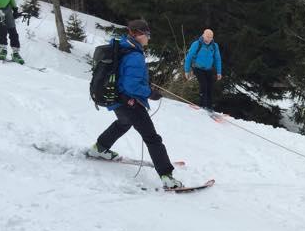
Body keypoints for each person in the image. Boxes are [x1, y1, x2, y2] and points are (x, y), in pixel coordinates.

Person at [88, 19, 183, 189]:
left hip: (116, 99)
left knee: (123, 123)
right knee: (152, 138)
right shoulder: (135, 56)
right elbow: (131, 86)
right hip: (129, 102)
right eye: (147, 35)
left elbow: (126, 76)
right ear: (138, 34)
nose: (148, 38)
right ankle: (167, 177)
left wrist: (144, 84)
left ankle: (100, 148)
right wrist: (149, 93)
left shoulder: (124, 47)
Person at [183, 29, 222, 110]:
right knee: (204, 85)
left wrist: (219, 72)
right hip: (197, 68)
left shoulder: (214, 46)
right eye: (207, 37)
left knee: (210, 86)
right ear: (203, 35)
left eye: (211, 37)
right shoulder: (197, 44)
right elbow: (189, 57)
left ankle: (209, 106)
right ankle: (202, 105)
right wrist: (187, 70)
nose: (209, 39)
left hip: (208, 69)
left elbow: (217, 59)